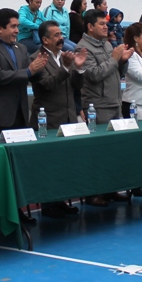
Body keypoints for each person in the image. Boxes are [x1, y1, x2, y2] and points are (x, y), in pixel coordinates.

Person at [29, 20, 87, 218]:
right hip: (48, 119)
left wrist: (79, 68)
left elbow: (76, 87)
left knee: (65, 163)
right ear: (45, 40)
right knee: (50, 164)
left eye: (61, 34)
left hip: (68, 117)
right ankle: (49, 204)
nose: (61, 38)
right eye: (56, 35)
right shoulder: (36, 58)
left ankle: (61, 200)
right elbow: (47, 85)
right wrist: (66, 67)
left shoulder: (65, 57)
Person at [77, 8, 133, 207]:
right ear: (90, 26)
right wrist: (115, 58)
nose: (105, 27)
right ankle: (94, 193)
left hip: (114, 102)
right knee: (98, 152)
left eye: (106, 23)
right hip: (97, 105)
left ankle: (110, 189)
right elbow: (94, 75)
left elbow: (116, 71)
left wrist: (123, 61)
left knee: (112, 152)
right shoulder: (83, 48)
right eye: (101, 24)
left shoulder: (107, 44)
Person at [0, 8, 47, 132]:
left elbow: (30, 74)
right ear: (0, 28)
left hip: (20, 115)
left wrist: (39, 67)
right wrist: (29, 71)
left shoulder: (21, 48)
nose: (17, 30)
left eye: (17, 26)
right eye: (13, 26)